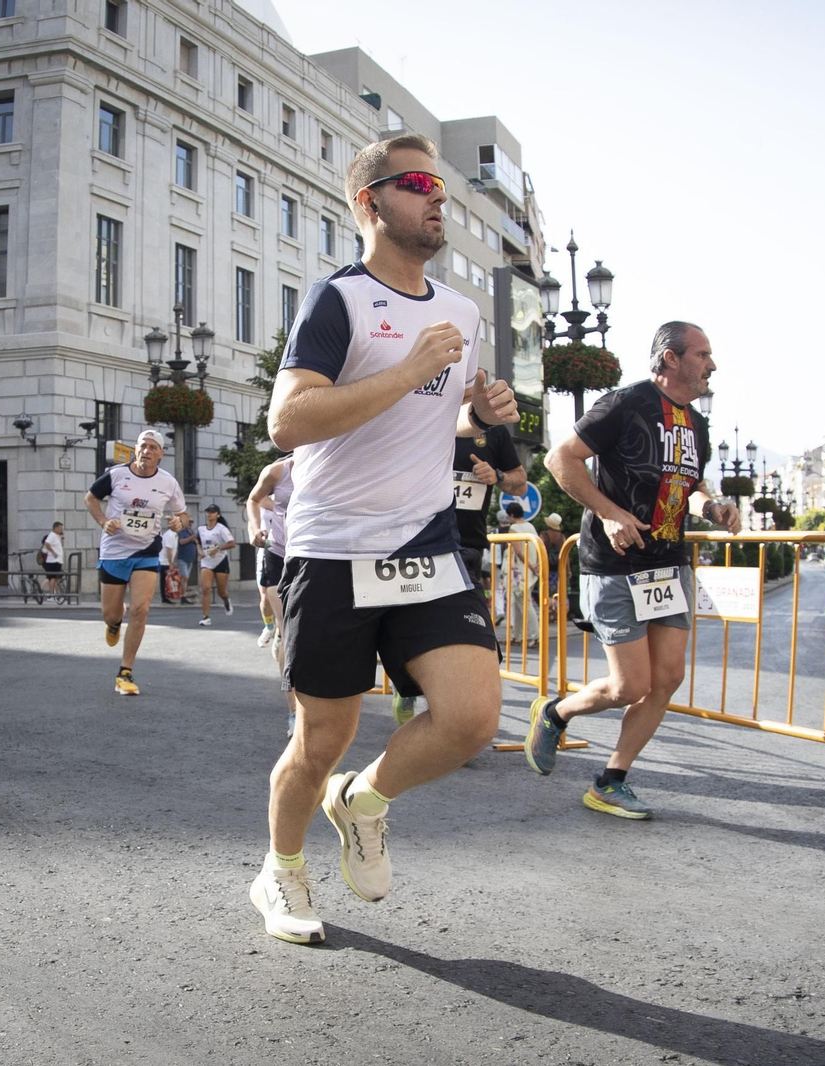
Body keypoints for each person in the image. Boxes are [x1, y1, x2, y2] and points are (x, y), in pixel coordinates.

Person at [248, 132, 518, 945]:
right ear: (370, 204)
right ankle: (281, 871)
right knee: (322, 737)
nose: (437, 198)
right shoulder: (339, 301)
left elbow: (449, 416)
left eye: (442, 187)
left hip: (425, 542)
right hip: (333, 548)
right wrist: (404, 371)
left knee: (470, 718)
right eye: (417, 184)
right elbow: (288, 420)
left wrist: (488, 414)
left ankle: (362, 802)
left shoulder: (461, 313)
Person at [525, 320, 740, 819]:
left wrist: (713, 507)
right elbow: (561, 460)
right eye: (703, 354)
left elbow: (692, 485)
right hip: (616, 564)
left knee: (667, 678)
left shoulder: (697, 424)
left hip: (668, 566)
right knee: (629, 687)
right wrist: (608, 512)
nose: (712, 365)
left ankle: (611, 780)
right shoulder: (626, 403)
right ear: (670, 358)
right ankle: (557, 712)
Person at [84, 429, 187, 696]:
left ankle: (125, 672)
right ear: (135, 449)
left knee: (141, 610)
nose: (147, 451)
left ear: (160, 454)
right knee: (111, 613)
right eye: (143, 446)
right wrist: (104, 522)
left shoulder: (168, 482)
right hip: (114, 552)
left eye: (153, 447)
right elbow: (91, 498)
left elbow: (183, 516)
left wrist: (178, 523)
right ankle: (114, 623)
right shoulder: (117, 474)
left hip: (146, 551)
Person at [452, 420, 525, 589]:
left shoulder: (493, 429)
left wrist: (496, 475)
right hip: (417, 542)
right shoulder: (427, 415)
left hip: (467, 546)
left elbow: (521, 485)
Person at [248, 456, 295, 648]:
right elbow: (253, 502)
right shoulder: (275, 478)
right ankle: (273, 628)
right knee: (266, 598)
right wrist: (255, 531)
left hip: (306, 553)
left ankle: (279, 632)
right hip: (271, 548)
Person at [502, 500, 539, 644]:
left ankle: (536, 636)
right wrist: (535, 566)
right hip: (530, 571)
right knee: (520, 605)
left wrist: (530, 565)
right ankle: (517, 636)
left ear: (511, 515)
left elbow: (518, 552)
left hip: (519, 572)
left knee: (525, 604)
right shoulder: (531, 526)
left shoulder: (514, 529)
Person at [196, 504, 236, 626]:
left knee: (221, 591)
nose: (210, 514)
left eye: (212, 512)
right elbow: (197, 541)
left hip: (220, 560)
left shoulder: (221, 529)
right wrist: (199, 551)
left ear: (217, 515)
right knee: (206, 588)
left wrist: (218, 548)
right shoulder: (201, 529)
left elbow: (232, 543)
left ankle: (226, 600)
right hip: (206, 562)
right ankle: (206, 617)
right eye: (208, 511)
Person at [176, 512, 199, 605]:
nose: (190, 524)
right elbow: (181, 542)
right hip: (182, 558)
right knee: (184, 577)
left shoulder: (191, 532)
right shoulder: (183, 532)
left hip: (190, 558)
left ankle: (183, 595)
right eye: (189, 522)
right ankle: (182, 596)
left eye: (192, 522)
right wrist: (191, 538)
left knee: (186, 578)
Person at [41, 521, 65, 603]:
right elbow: (47, 544)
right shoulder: (51, 535)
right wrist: (53, 552)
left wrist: (62, 537)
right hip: (53, 560)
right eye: (60, 528)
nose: (61, 529)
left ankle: (56, 594)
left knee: (54, 578)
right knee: (52, 578)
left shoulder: (57, 536)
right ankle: (52, 595)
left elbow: (61, 545)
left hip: (58, 560)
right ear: (55, 528)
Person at [159, 525, 179, 604]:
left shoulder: (175, 535)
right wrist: (171, 563)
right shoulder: (169, 535)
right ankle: (164, 597)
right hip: (164, 561)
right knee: (164, 580)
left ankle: (167, 596)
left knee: (168, 580)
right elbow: (168, 550)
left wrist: (174, 561)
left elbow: (175, 549)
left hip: (169, 561)